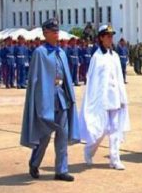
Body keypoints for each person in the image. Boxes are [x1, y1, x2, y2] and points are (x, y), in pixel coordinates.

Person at [20, 18, 80, 182]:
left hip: (61, 98)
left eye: (57, 31)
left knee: (62, 134)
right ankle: (35, 162)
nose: (56, 33)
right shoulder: (40, 52)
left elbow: (66, 76)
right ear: (45, 33)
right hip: (46, 99)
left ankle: (61, 170)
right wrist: (37, 102)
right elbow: (34, 80)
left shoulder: (61, 52)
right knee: (44, 136)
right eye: (53, 31)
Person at [79, 25, 130, 170]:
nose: (110, 38)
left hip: (114, 98)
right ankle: (89, 151)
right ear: (101, 38)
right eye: (107, 36)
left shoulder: (114, 56)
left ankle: (115, 159)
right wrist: (94, 100)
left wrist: (122, 96)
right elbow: (93, 80)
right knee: (100, 130)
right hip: (102, 99)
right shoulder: (97, 57)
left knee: (115, 128)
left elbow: (119, 77)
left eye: (111, 36)